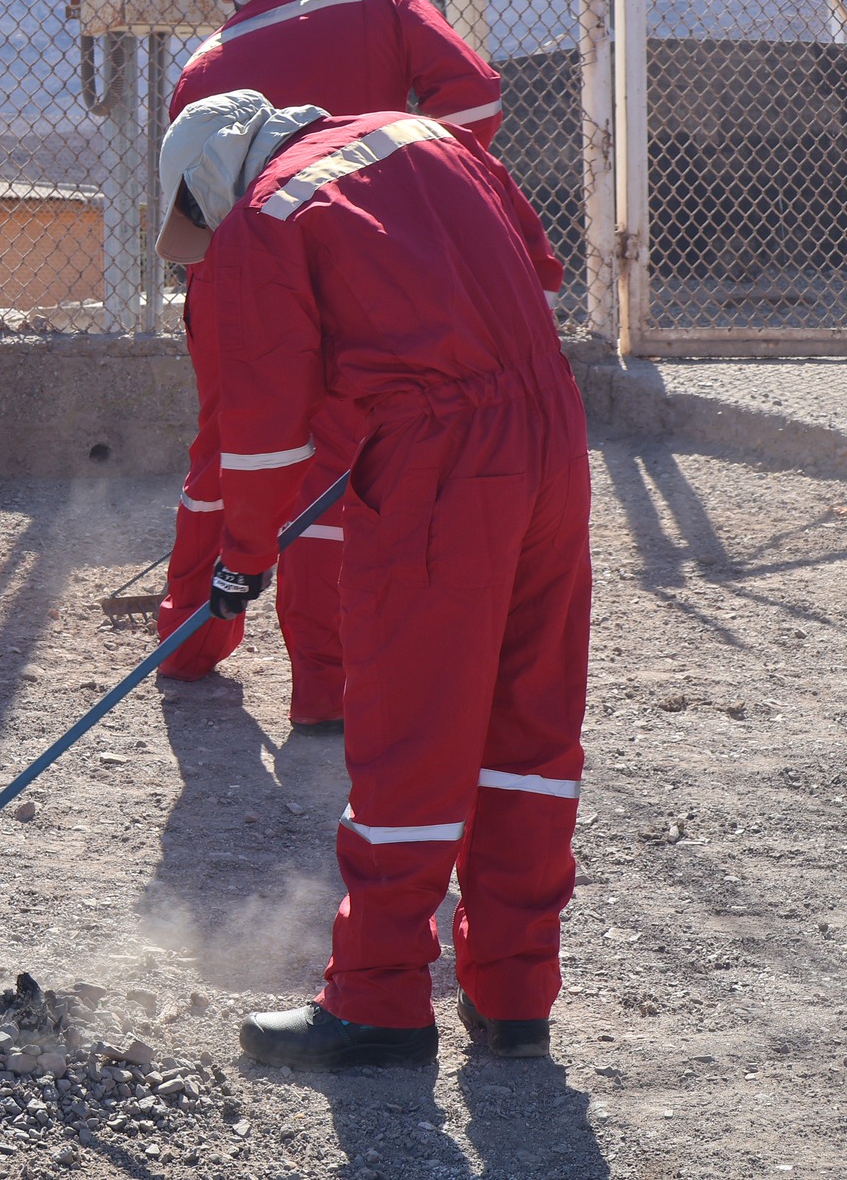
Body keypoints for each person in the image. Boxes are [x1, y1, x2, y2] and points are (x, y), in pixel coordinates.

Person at [153, 89, 591, 1069]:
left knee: (407, 732)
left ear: (207, 180)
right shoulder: (430, 136)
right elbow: (534, 268)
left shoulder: (267, 212)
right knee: (528, 720)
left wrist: (239, 562)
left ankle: (379, 1002)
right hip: (551, 435)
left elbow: (260, 438)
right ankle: (513, 994)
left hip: (440, 469)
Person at [156, 0, 520, 734]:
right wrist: (424, 193)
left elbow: (191, 208)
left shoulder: (203, 61)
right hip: (362, 261)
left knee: (229, 444)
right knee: (337, 462)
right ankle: (327, 683)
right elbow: (473, 103)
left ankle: (190, 633)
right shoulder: (377, 1)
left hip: (234, 274)